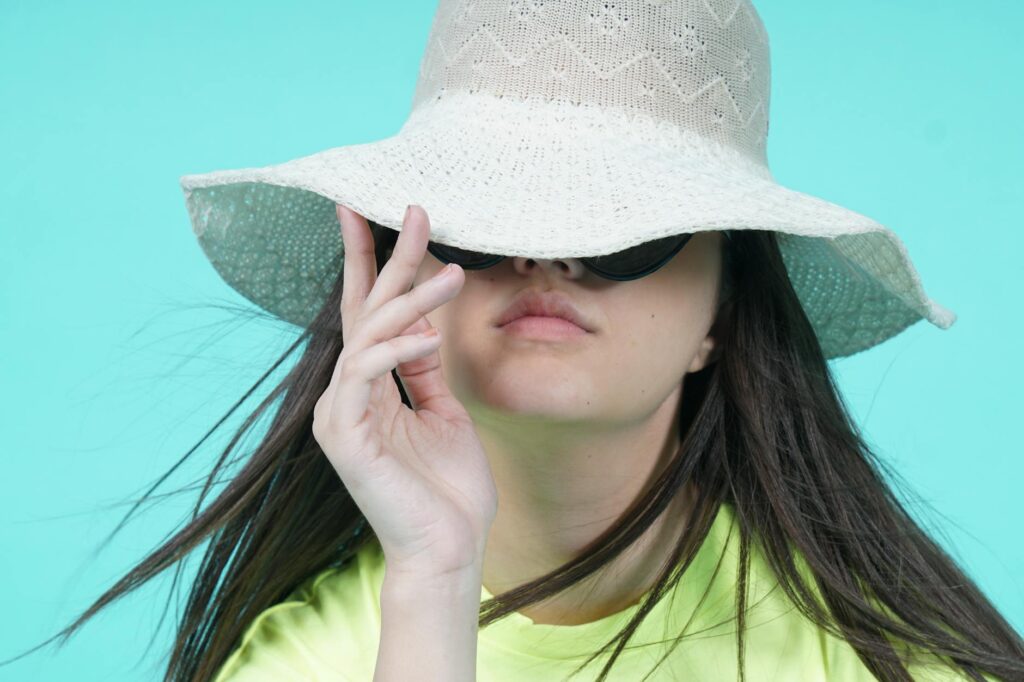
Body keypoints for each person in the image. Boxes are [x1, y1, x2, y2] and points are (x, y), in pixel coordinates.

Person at [6, 1, 1022, 681]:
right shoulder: (299, 662)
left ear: (724, 314)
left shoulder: (892, 663)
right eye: (486, 222)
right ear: (400, 284)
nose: (547, 259)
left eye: (623, 229)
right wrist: (435, 582)